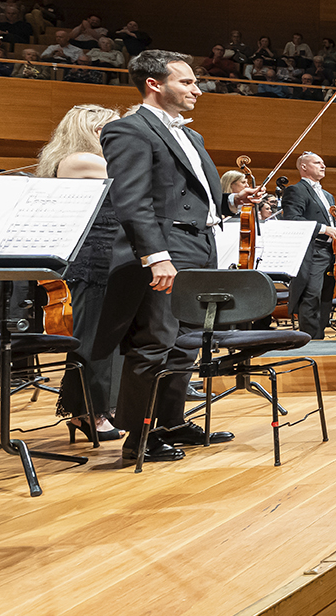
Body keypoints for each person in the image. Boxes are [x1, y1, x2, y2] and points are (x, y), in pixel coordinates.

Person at [96, 50, 260, 462]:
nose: (197, 90)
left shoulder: (193, 136)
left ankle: (170, 421)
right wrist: (156, 256)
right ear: (154, 84)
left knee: (187, 341)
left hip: (200, 244)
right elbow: (131, 201)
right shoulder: (128, 130)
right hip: (167, 247)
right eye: (186, 82)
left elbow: (196, 198)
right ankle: (139, 437)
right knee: (155, 340)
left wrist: (233, 201)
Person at [37, 104, 125, 443]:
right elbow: (130, 178)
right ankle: (89, 411)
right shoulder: (79, 160)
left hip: (110, 257)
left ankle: (103, 408)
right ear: (93, 131)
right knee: (93, 340)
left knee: (110, 339)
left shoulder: (92, 159)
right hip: (92, 260)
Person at [276, 152, 336, 340]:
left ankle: (320, 337)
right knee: (311, 296)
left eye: (323, 163)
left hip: (331, 251)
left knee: (326, 297)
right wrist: (324, 229)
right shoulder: (296, 190)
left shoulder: (328, 195)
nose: (323, 166)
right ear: (304, 167)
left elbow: (330, 221)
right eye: (317, 162)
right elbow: (292, 219)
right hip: (312, 251)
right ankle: (311, 341)